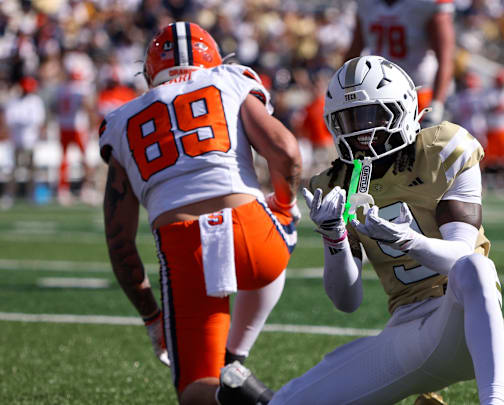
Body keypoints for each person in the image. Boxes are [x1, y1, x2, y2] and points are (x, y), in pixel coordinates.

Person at [223, 55, 504, 405]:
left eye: (371, 115)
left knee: (477, 267)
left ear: (401, 107)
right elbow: (347, 301)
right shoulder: (338, 181)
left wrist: (407, 240)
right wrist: (334, 236)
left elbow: (462, 259)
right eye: (348, 119)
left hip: (461, 317)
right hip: (407, 329)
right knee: (290, 402)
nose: (359, 130)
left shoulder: (442, 148)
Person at [99, 22, 301, 405]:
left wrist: (151, 317)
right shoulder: (230, 79)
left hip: (184, 248)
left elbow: (119, 239)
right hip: (255, 237)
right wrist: (286, 210)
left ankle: (236, 380)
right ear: (214, 60)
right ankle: (235, 360)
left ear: (148, 73)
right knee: (275, 235)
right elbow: (285, 151)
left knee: (195, 392)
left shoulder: (121, 120)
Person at [344, 0, 456, 125]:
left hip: (417, 94)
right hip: (376, 93)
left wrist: (437, 103)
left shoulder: (427, 5)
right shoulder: (366, 4)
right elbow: (354, 50)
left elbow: (446, 58)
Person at [55, 55, 96, 205]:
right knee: (85, 158)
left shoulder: (62, 88)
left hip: (63, 125)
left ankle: (63, 190)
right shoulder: (81, 88)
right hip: (78, 126)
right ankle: (87, 188)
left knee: (64, 159)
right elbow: (87, 106)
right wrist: (93, 125)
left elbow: (56, 108)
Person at [1, 76, 46, 209]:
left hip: (30, 141)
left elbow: (36, 120)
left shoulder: (35, 101)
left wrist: (22, 121)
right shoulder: (14, 101)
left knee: (31, 170)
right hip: (17, 140)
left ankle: (31, 195)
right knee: (13, 169)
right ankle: (9, 194)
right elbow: (10, 119)